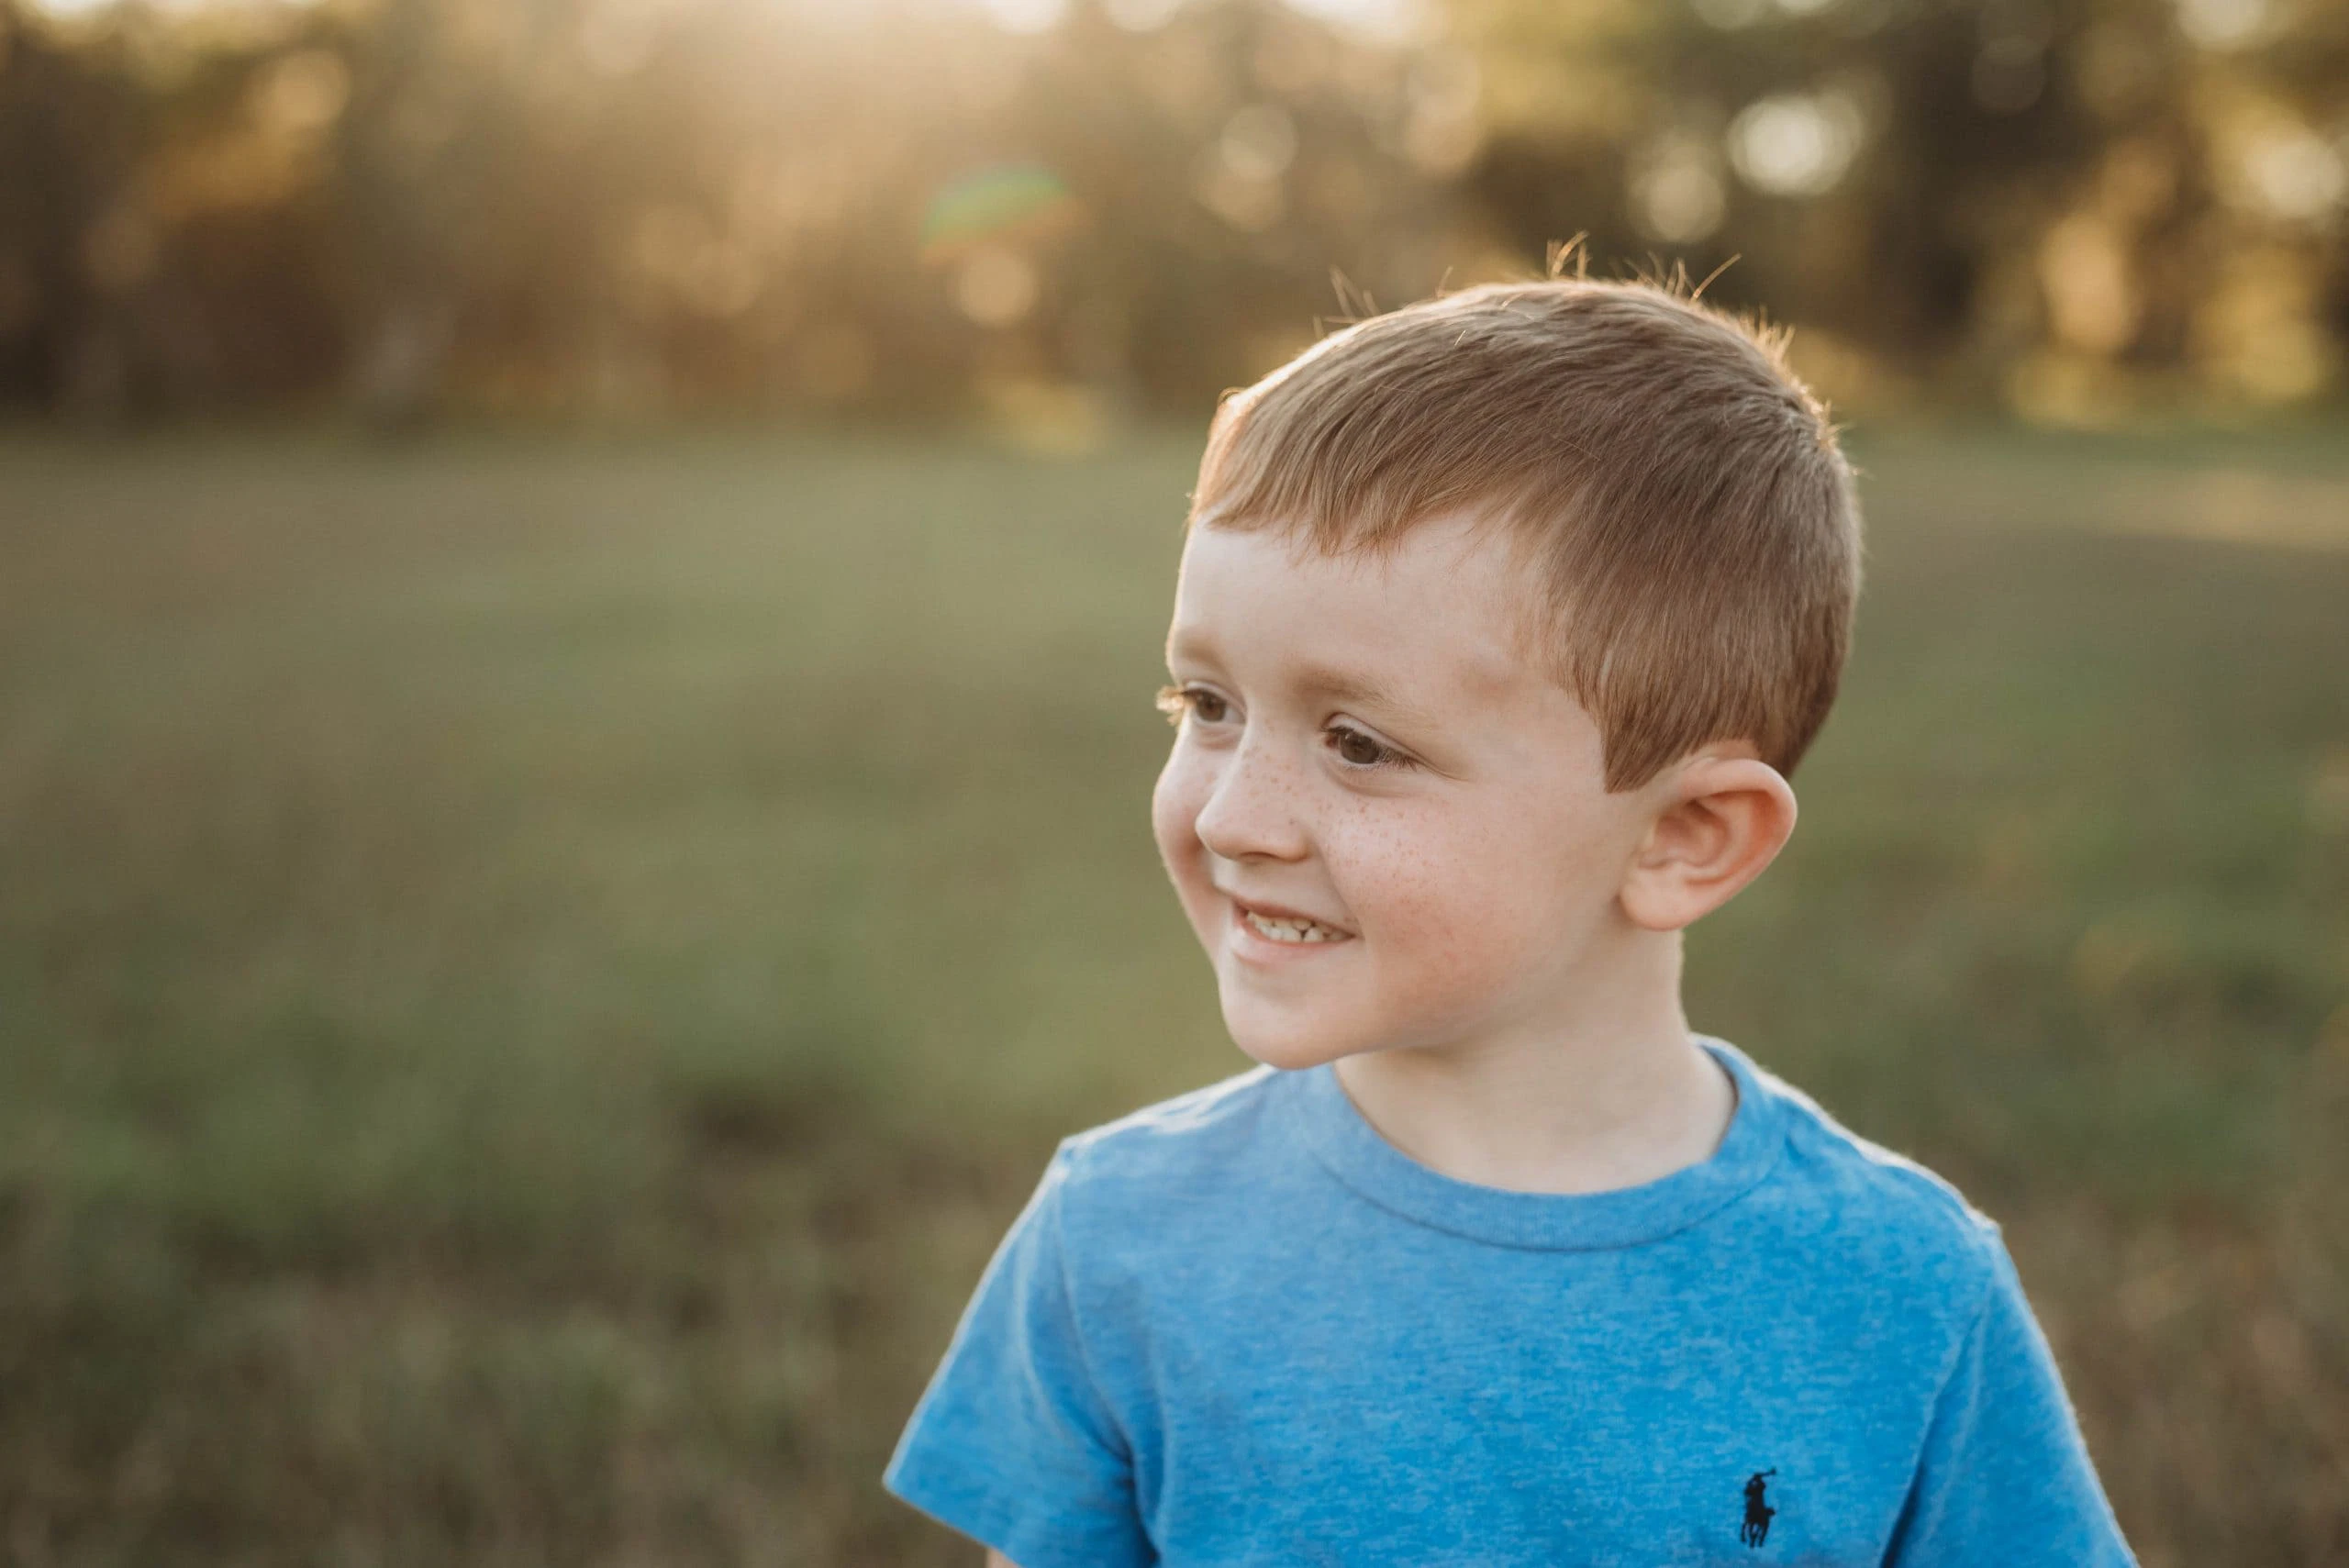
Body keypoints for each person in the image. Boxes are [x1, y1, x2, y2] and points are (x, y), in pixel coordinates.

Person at [880, 266, 2139, 1565]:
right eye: (1206, 705)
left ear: (1681, 837)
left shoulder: (1898, 1293)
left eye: (1359, 742)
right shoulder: (1122, 1242)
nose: (1232, 815)